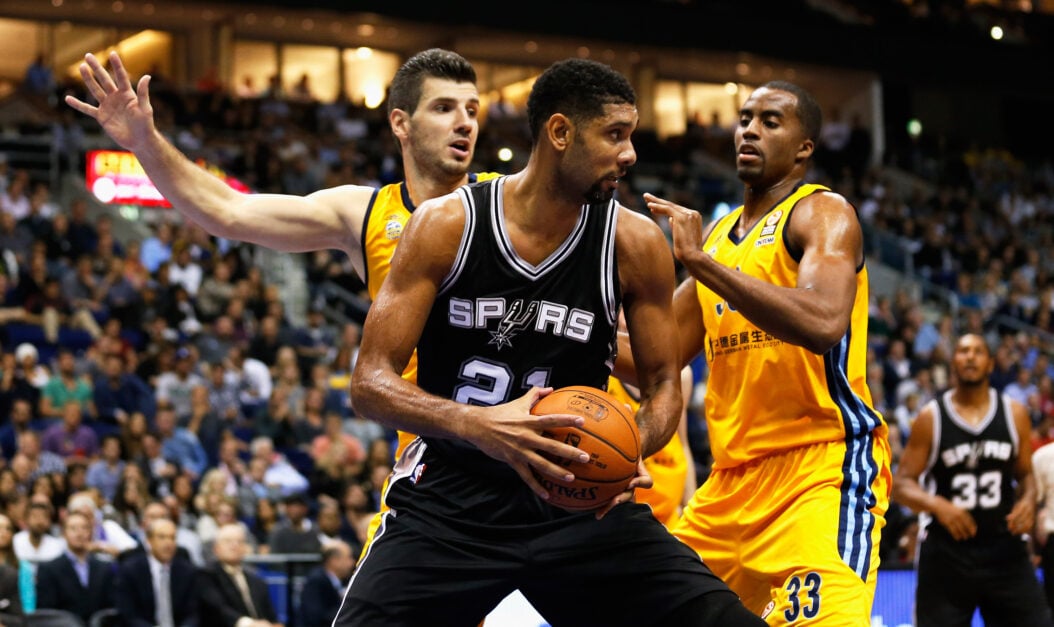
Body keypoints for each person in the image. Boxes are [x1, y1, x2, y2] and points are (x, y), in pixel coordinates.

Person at [336, 58, 762, 626]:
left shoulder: (633, 243)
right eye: (615, 135)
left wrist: (636, 441)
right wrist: (478, 425)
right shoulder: (446, 226)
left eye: (630, 135)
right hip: (451, 504)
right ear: (560, 133)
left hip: (580, 503)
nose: (630, 154)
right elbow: (369, 383)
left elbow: (663, 382)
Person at [637, 80, 891, 624]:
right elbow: (650, 360)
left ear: (805, 147)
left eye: (770, 121)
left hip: (819, 473)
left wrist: (699, 265)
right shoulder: (721, 238)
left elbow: (823, 321)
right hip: (729, 485)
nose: (750, 128)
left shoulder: (823, 213)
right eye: (745, 118)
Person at [893, 333, 1053, 626]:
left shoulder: (1014, 413)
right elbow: (901, 484)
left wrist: (1029, 500)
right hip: (947, 554)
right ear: (953, 362)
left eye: (978, 351)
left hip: (1005, 549)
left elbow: (1025, 475)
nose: (970, 356)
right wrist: (938, 505)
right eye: (963, 351)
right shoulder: (932, 418)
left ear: (990, 364)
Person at [34, 510, 116, 623]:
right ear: (63, 533)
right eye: (73, 528)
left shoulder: (104, 568)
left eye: (84, 528)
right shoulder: (49, 569)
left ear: (91, 532)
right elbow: (46, 613)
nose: (79, 533)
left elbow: (110, 608)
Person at [115, 517, 199, 627]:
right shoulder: (130, 570)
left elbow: (193, 614)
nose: (168, 543)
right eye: (162, 537)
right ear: (149, 541)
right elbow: (129, 615)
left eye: (172, 538)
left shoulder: (186, 570)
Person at [197, 523, 281, 627]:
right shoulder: (206, 575)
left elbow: (272, 618)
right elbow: (218, 609)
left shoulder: (257, 581)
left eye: (239, 541)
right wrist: (250, 624)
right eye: (228, 541)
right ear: (216, 548)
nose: (234, 545)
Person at [299, 540, 355, 627]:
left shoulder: (344, 580)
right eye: (348, 558)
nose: (352, 563)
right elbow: (315, 617)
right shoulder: (316, 581)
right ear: (334, 561)